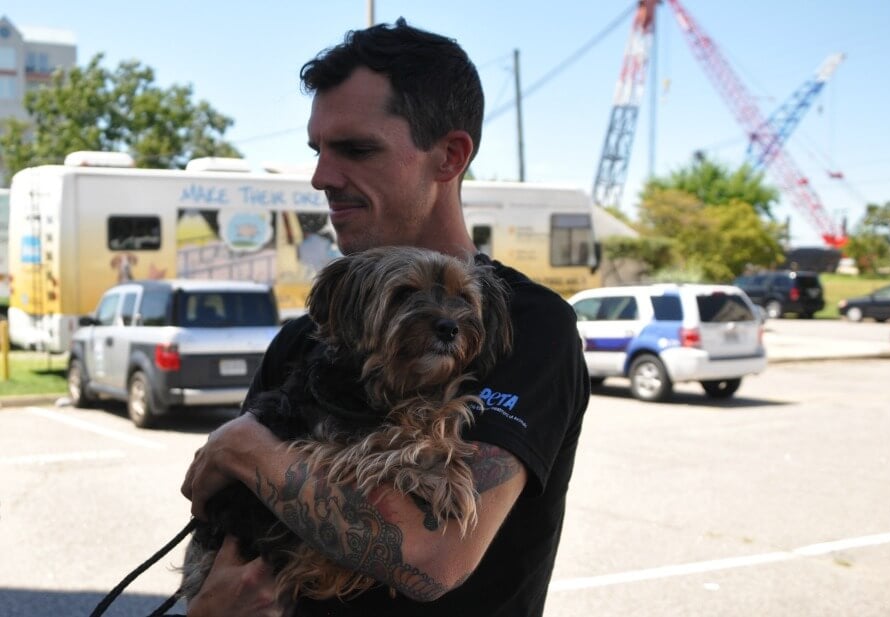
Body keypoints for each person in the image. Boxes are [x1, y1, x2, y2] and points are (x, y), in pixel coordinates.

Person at [181, 18, 589, 617]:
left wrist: (247, 448)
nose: (322, 176)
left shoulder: (525, 326)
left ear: (449, 155)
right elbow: (222, 531)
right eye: (317, 151)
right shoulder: (303, 339)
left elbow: (430, 556)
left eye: (356, 149)